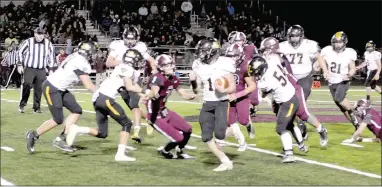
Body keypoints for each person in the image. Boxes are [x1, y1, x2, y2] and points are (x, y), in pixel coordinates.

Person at [65, 49, 150, 161]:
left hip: (98, 98)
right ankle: (120, 154)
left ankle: (77, 129)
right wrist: (145, 90)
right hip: (106, 99)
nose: (139, 63)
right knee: (127, 123)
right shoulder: (128, 69)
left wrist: (143, 94)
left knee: (102, 133)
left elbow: (126, 88)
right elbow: (129, 87)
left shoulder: (122, 68)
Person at [25, 41, 98, 154]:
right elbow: (88, 85)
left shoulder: (75, 56)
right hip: (52, 87)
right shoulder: (81, 62)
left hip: (61, 88)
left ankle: (61, 139)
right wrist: (101, 93)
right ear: (88, 52)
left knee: (76, 110)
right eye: (93, 52)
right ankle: (33, 135)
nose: (94, 55)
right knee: (58, 119)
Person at [260, 37, 328, 147]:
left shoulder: (279, 58)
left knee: (303, 113)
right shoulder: (272, 58)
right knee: (285, 114)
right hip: (280, 90)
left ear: (273, 49)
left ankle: (321, 129)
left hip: (292, 88)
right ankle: (300, 137)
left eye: (266, 50)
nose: (264, 52)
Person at [189, 38, 236, 171]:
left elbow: (232, 87)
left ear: (213, 51)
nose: (201, 54)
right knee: (206, 137)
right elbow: (196, 90)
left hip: (221, 102)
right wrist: (193, 82)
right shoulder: (198, 64)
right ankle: (225, 161)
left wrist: (224, 90)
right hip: (207, 103)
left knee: (220, 135)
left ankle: (234, 129)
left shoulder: (224, 63)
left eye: (204, 51)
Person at [106, 26, 156, 143]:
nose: (130, 41)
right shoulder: (117, 46)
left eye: (132, 39)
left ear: (137, 39)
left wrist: (153, 70)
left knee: (134, 104)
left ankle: (136, 131)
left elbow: (151, 60)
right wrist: (125, 61)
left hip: (134, 78)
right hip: (121, 79)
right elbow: (109, 63)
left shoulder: (140, 47)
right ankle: (150, 119)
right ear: (123, 38)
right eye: (128, 39)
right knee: (132, 106)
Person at [279, 25, 329, 139]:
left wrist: (325, 70)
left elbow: (319, 58)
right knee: (292, 104)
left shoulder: (309, 45)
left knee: (297, 104)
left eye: (297, 36)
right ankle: (302, 124)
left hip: (304, 78)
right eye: (292, 36)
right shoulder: (283, 46)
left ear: (301, 36)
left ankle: (306, 125)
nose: (294, 39)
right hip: (289, 79)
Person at [248, 56, 300, 163]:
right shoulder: (272, 63)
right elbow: (280, 59)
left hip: (288, 101)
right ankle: (301, 144)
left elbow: (262, 95)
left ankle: (289, 154)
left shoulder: (265, 82)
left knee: (281, 128)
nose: (255, 76)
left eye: (256, 73)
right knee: (289, 125)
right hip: (289, 97)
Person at [145, 54, 196, 159]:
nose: (171, 67)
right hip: (154, 115)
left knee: (188, 129)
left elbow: (182, 92)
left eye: (171, 64)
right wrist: (149, 95)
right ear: (160, 67)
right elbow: (154, 90)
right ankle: (165, 151)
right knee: (178, 138)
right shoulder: (157, 78)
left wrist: (190, 95)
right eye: (166, 65)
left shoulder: (173, 78)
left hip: (164, 111)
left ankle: (179, 151)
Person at [321, 31, 358, 130]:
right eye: (335, 42)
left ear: (344, 42)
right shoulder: (327, 50)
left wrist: (349, 74)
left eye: (340, 42)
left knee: (339, 98)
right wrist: (318, 66)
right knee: (341, 107)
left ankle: (353, 114)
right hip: (331, 82)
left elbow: (353, 68)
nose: (337, 44)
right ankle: (355, 124)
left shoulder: (349, 52)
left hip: (343, 80)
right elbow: (320, 61)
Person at [225, 43, 257, 151]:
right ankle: (242, 142)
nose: (232, 59)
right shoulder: (223, 66)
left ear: (240, 55)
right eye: (230, 56)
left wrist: (237, 95)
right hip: (228, 97)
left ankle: (248, 123)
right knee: (230, 122)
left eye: (234, 56)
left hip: (241, 96)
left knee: (243, 121)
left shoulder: (244, 66)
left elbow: (252, 86)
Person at [18, 27, 55, 113]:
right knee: (27, 84)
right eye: (39, 34)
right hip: (30, 68)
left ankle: (36, 107)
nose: (41, 36)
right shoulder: (28, 42)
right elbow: (19, 51)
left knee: (39, 88)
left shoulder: (48, 43)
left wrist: (51, 69)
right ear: (35, 34)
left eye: (42, 34)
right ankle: (22, 104)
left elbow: (51, 56)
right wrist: (19, 64)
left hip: (41, 69)